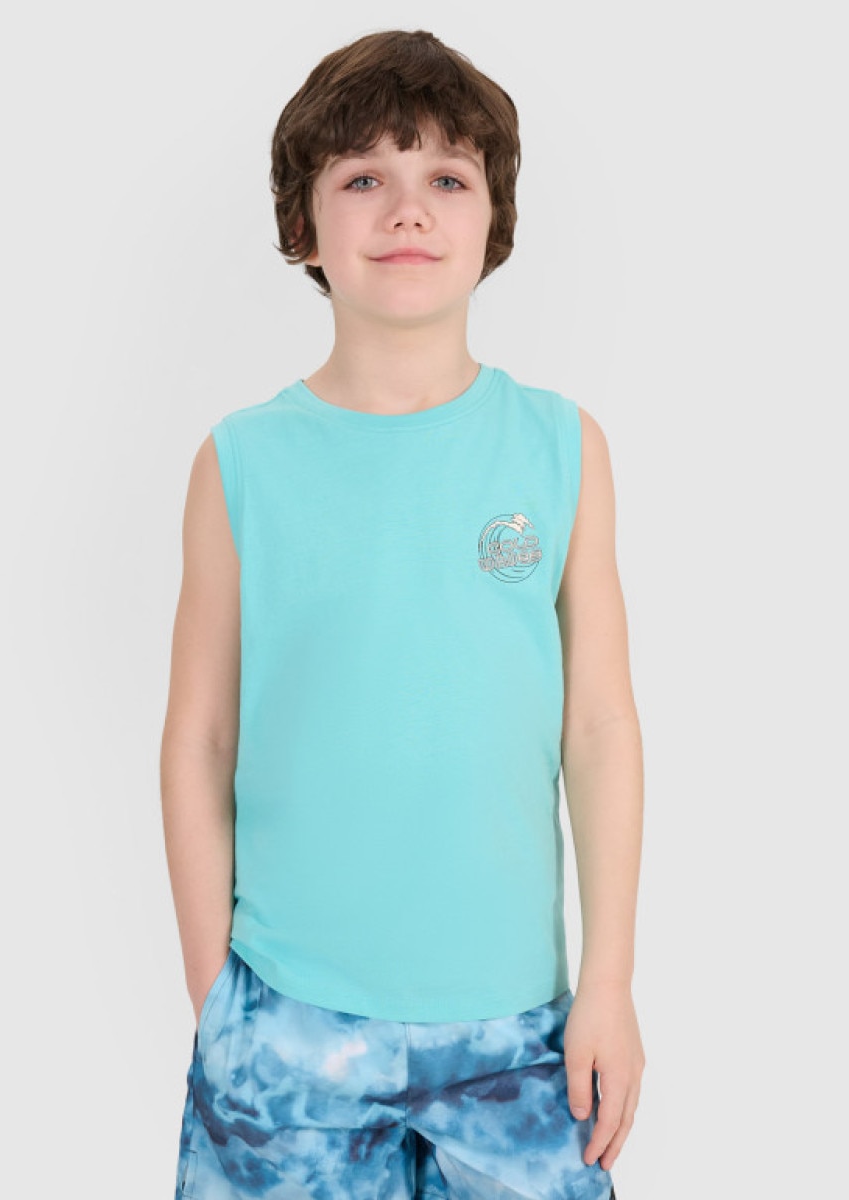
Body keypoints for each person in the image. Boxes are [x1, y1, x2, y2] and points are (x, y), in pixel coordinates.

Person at [161, 27, 644, 1200]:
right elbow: (200, 738)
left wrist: (609, 984)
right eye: (363, 178)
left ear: (494, 221)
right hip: (287, 1021)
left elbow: (598, 729)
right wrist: (218, 995)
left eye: (446, 179)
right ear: (303, 226)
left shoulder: (559, 447)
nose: (407, 210)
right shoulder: (240, 463)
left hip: (518, 1033)